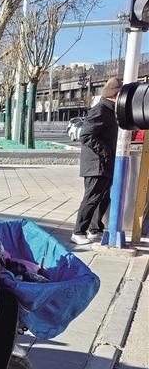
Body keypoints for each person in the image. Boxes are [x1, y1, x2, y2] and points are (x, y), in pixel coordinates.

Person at [71, 77, 122, 245]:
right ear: (115, 95)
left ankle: (95, 229)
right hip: (96, 164)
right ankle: (78, 232)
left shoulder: (109, 110)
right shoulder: (100, 110)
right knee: (92, 198)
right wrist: (105, 153)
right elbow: (86, 135)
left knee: (103, 198)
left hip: (103, 164)